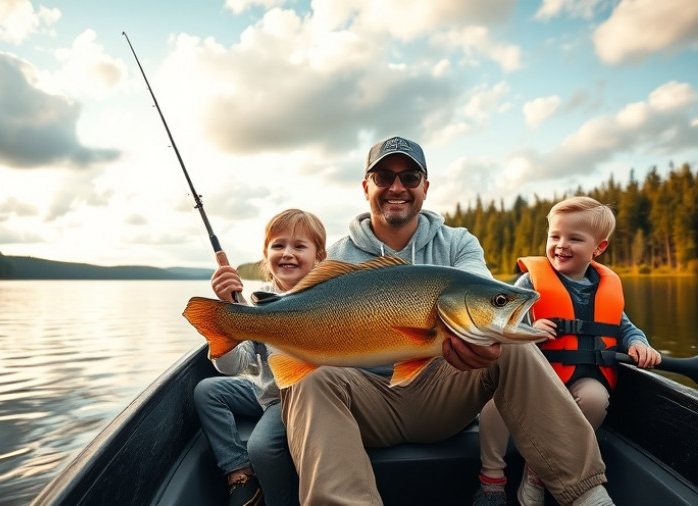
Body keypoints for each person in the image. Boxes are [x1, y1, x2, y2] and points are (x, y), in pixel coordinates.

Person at [279, 136, 614, 506]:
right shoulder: (338, 257)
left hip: (443, 394)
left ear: (425, 187)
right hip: (366, 405)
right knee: (308, 379)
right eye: (383, 176)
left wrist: (484, 344)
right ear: (365, 187)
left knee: (512, 345)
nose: (396, 187)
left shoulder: (458, 243)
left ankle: (587, 496)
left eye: (409, 177)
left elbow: (484, 298)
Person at [478, 196, 662, 506]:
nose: (561, 245)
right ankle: (491, 480)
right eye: (555, 236)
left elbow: (624, 326)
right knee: (495, 405)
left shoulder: (605, 287)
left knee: (596, 399)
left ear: (598, 248)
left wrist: (639, 343)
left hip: (578, 376)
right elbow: (501, 319)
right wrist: (528, 329)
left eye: (574, 238)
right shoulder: (530, 281)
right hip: (530, 380)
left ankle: (536, 472)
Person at [195, 208, 327, 506]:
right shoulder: (255, 303)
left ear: (319, 256)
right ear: (266, 255)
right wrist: (227, 315)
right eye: (278, 246)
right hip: (265, 392)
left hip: (294, 397)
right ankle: (239, 472)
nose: (288, 254)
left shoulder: (325, 298)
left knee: (262, 446)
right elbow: (232, 366)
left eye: (299, 246)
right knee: (208, 391)